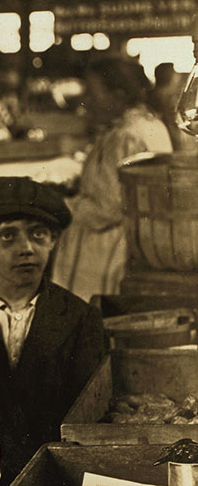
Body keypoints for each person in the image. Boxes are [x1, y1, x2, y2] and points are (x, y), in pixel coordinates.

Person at [0, 176, 104, 486]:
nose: (26, 248)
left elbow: (86, 421)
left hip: (56, 483)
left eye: (38, 234)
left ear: (53, 241)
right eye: (8, 236)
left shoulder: (82, 319)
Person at [53, 55, 172, 301]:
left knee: (92, 314)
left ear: (118, 97)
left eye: (92, 94)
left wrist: (58, 205)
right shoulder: (150, 125)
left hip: (106, 254)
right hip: (136, 248)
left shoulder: (125, 137)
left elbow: (106, 209)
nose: (86, 102)